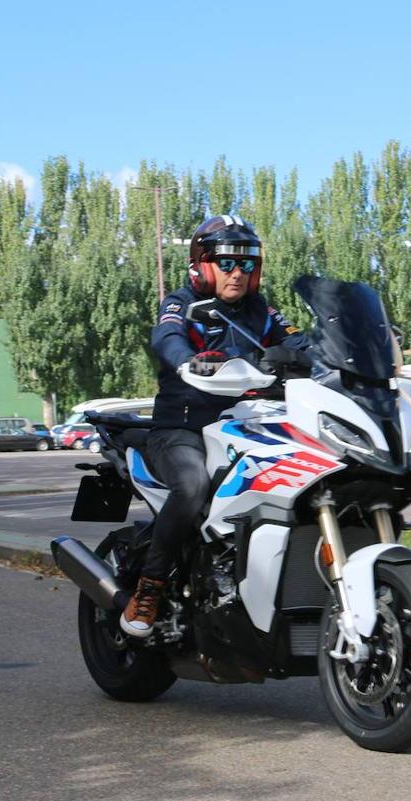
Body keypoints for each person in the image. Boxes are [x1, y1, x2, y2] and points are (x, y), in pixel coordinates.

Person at [122, 214, 310, 637]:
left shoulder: (261, 312)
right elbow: (166, 337)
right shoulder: (181, 303)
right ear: (202, 264)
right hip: (182, 428)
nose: (238, 272)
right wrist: (188, 359)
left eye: (247, 263)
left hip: (247, 425)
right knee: (191, 488)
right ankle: (150, 587)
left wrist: (344, 355)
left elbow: (299, 343)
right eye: (227, 263)